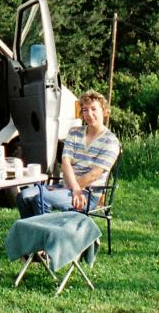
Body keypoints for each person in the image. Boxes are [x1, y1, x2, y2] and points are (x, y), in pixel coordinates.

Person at [17, 90, 121, 218]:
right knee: (23, 196)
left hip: (88, 193)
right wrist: (70, 188)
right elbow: (66, 163)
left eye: (94, 109)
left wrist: (75, 189)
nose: (89, 114)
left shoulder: (110, 141)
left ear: (104, 111)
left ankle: (48, 236)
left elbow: (94, 174)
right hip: (67, 187)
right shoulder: (75, 132)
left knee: (41, 199)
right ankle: (32, 235)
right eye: (85, 110)